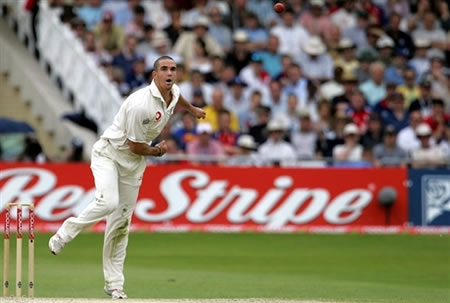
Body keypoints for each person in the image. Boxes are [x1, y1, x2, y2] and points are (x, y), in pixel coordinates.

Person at [48, 56, 206, 299]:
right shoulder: (140, 104)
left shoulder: (173, 91)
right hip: (109, 155)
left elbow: (177, 97)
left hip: (132, 166)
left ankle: (114, 285)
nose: (169, 73)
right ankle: (66, 232)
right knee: (108, 203)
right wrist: (159, 151)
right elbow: (136, 147)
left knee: (121, 224)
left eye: (173, 69)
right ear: (154, 75)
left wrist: (192, 109)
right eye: (164, 69)